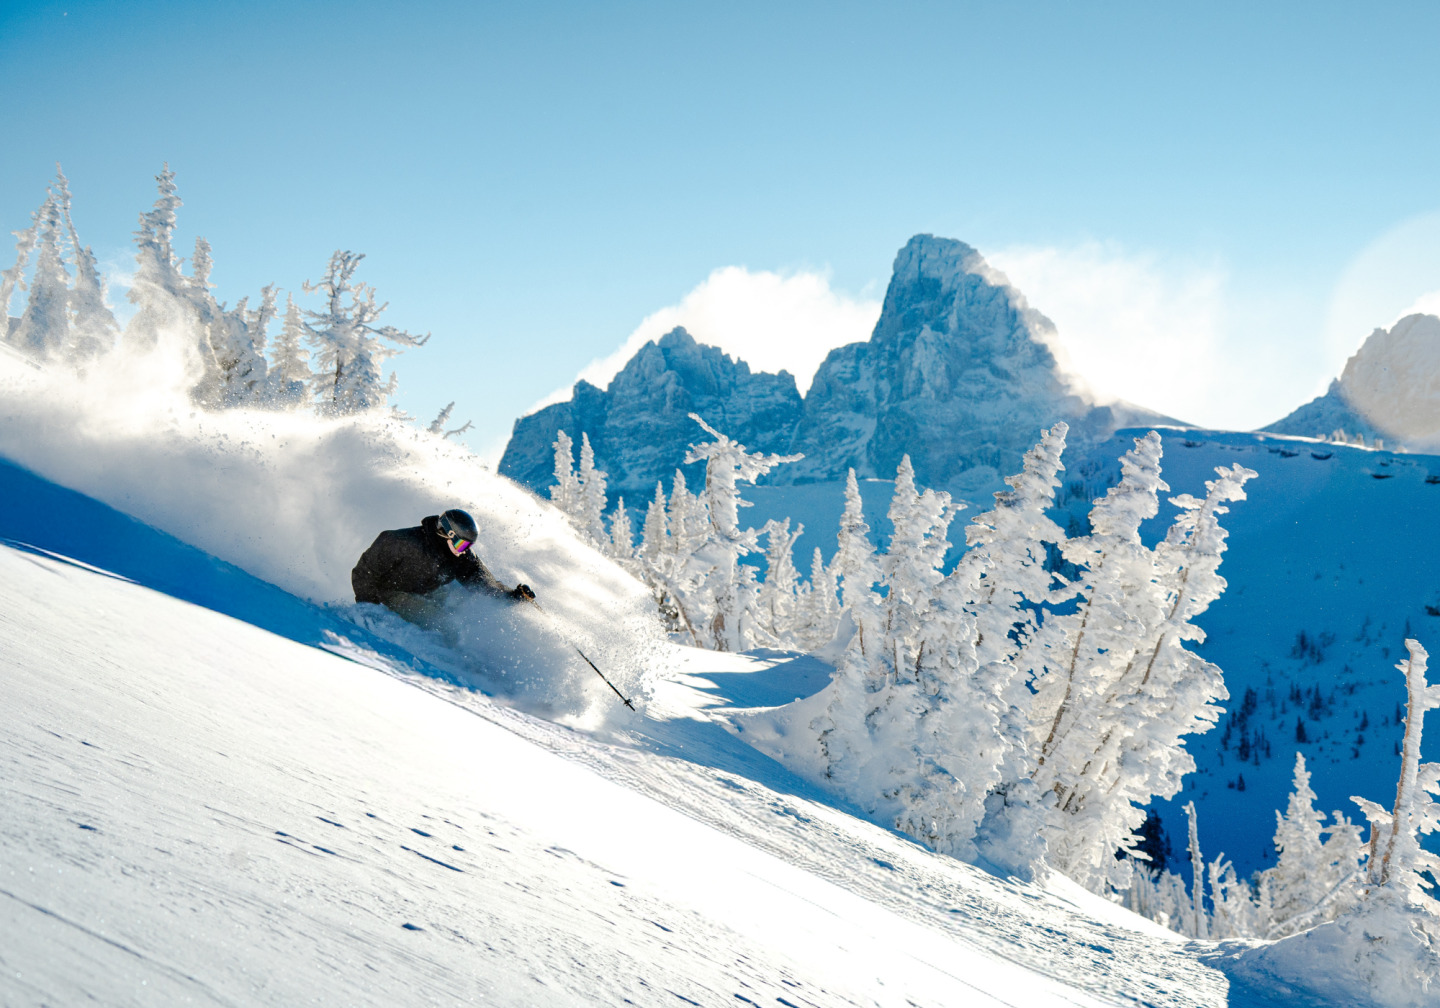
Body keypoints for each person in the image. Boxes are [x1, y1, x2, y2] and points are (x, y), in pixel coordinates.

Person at [351, 508, 535, 627]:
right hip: (390, 592)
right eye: (463, 545)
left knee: (462, 601)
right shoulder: (401, 542)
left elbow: (481, 581)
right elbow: (364, 573)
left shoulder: (460, 555)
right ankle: (447, 652)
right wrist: (369, 608)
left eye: (469, 546)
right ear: (448, 534)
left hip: (426, 588)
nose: (465, 552)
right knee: (443, 621)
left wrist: (511, 596)